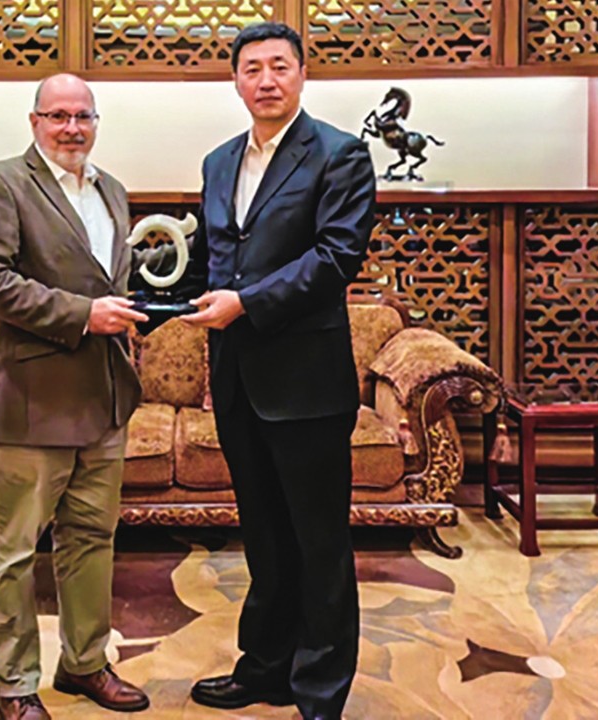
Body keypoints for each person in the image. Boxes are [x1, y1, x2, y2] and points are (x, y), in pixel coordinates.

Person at [181, 21, 376, 720]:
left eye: (279, 66)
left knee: (319, 542)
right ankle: (265, 667)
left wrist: (244, 304)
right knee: (263, 538)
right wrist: (178, 297)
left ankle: (321, 688)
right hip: (237, 378)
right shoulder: (216, 161)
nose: (265, 79)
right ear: (235, 81)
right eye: (252, 68)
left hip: (307, 384)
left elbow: (334, 259)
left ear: (301, 75)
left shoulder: (339, 155)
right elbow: (211, 252)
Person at [0, 73, 160, 720]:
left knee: (91, 543)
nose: (72, 127)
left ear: (96, 122)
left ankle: (85, 664)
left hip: (103, 401)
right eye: (58, 115)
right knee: (15, 555)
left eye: (83, 116)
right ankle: (15, 685)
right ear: (34, 120)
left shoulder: (112, 191)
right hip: (30, 401)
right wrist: (83, 314)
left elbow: (110, 285)